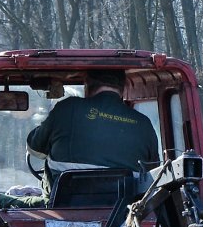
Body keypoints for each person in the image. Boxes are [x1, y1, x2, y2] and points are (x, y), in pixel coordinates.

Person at [26, 69, 160, 174]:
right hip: (126, 207)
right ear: (123, 88)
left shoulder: (67, 108)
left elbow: (35, 149)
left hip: (63, 206)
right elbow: (153, 172)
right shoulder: (144, 123)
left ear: (87, 85)